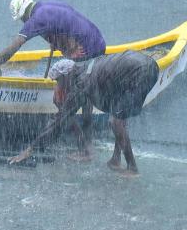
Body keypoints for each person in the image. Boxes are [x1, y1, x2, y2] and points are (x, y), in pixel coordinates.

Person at [0, 0, 106, 158]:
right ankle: (87, 143)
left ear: (24, 15)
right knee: (86, 98)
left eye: (21, 19)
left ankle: (83, 148)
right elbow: (67, 22)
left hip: (84, 52)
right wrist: (59, 42)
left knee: (61, 101)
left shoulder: (36, 20)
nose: (23, 21)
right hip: (98, 43)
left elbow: (12, 49)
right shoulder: (48, 4)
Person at [9, 52, 160, 176]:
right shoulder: (87, 68)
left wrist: (30, 149)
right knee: (118, 112)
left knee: (115, 121)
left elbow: (59, 119)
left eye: (58, 82)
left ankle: (132, 169)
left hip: (140, 72)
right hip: (149, 65)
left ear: (67, 76)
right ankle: (116, 159)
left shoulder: (82, 84)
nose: (58, 86)